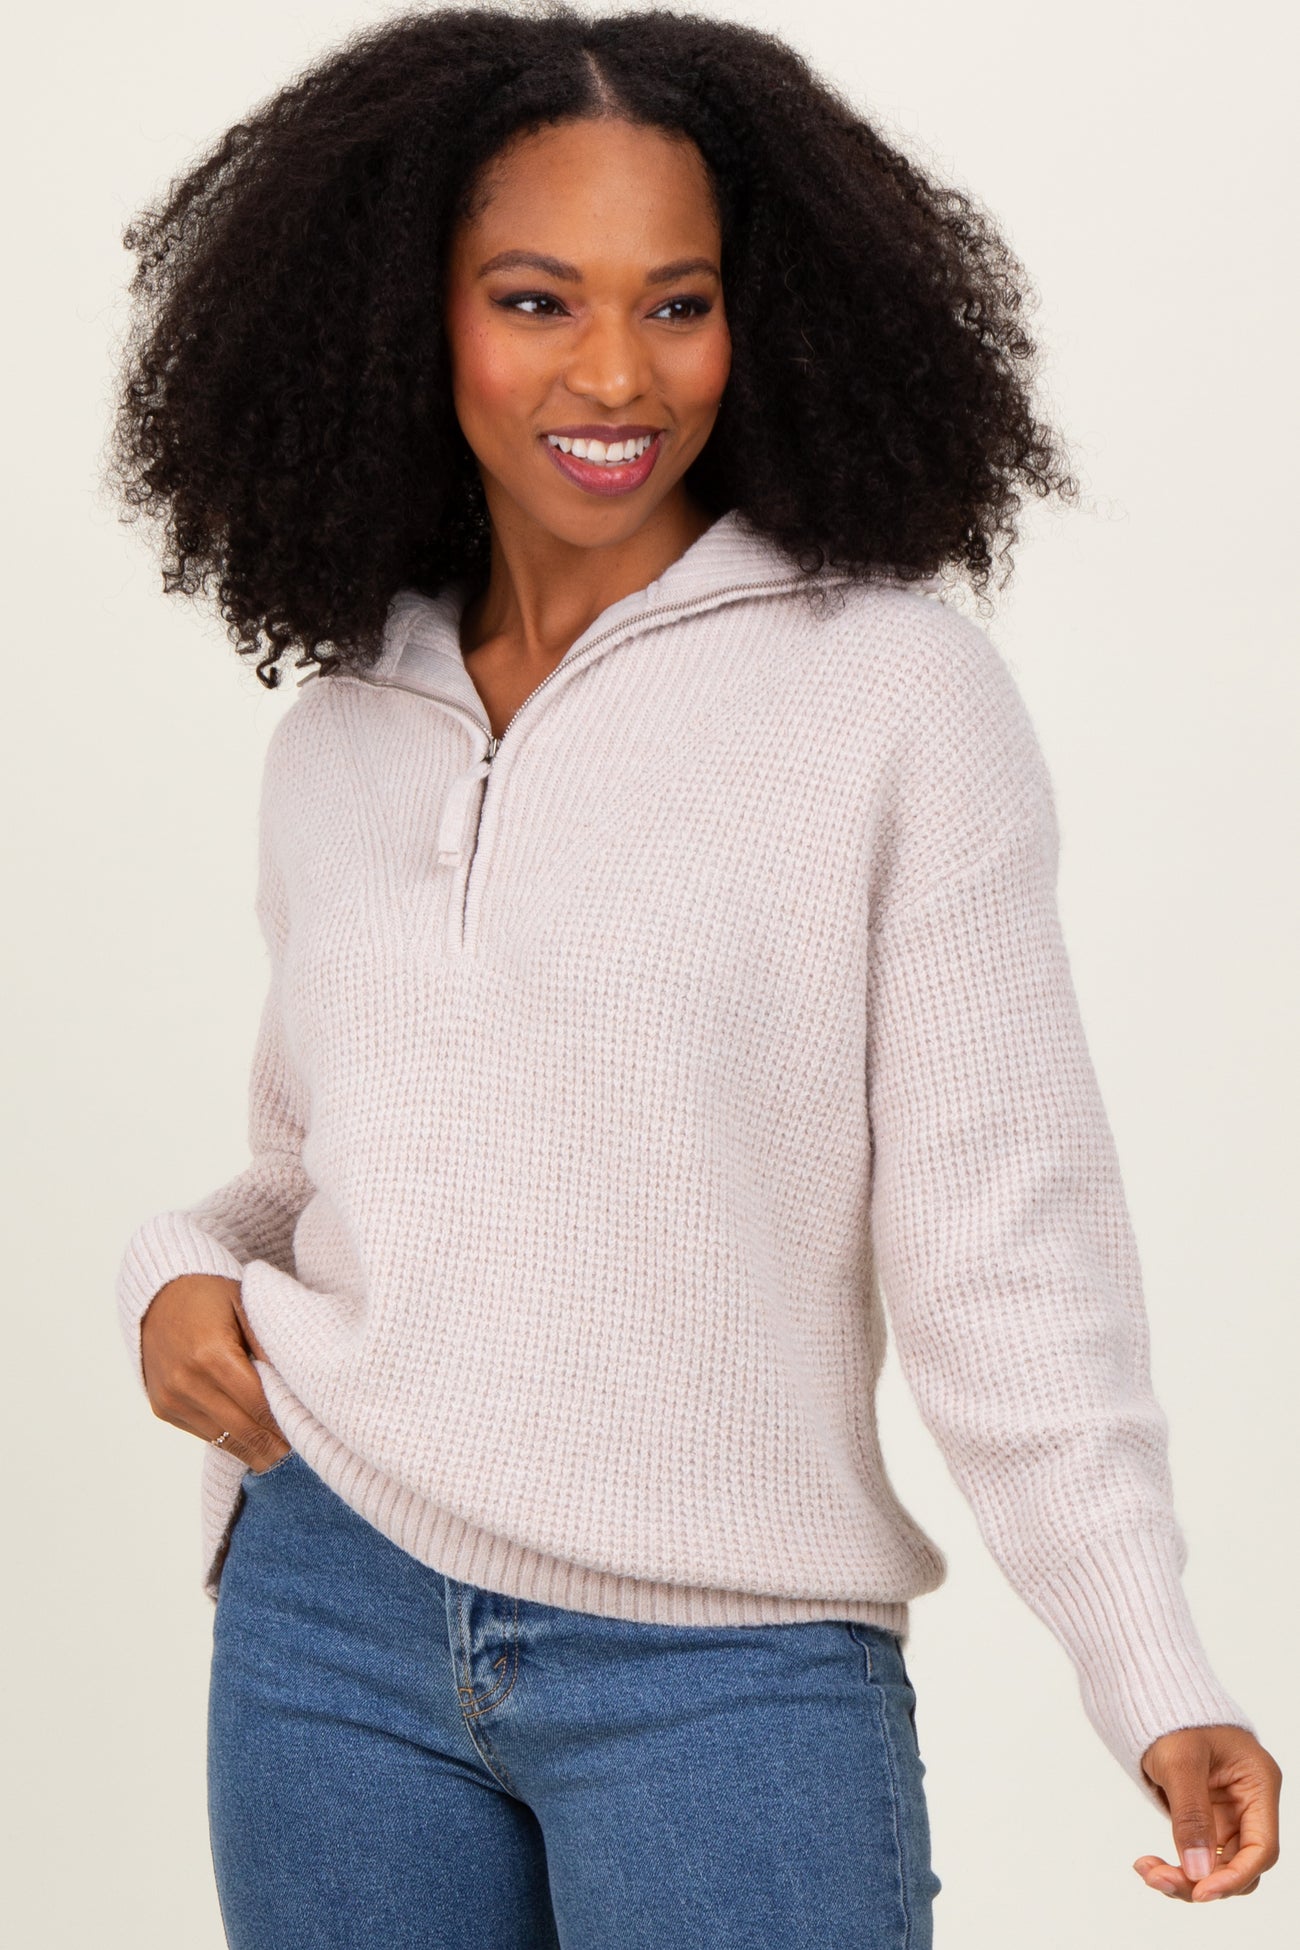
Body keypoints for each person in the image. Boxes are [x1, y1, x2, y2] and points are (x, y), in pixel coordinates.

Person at [109, 6, 1281, 1945]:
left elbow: (1000, 1235)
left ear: (762, 316)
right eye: (534, 299)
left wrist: (1147, 1664)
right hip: (329, 1628)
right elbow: (324, 1172)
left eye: (677, 303)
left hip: (722, 1674)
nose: (613, 372)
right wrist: (169, 1265)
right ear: (409, 316)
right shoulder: (341, 731)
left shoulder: (892, 693)